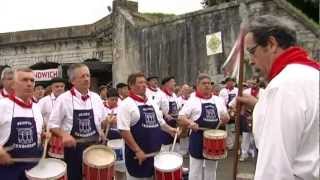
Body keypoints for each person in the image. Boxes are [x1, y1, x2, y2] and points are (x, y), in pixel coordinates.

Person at [238, 15, 320, 180]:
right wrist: (260, 106)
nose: (251, 61)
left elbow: (274, 170)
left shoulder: (282, 87)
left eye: (252, 52)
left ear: (271, 44)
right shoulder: (313, 74)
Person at [48, 63, 106, 180]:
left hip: (94, 147)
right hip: (73, 149)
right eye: (82, 76)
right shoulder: (63, 99)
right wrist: (64, 135)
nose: (86, 79)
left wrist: (103, 129)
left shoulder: (96, 98)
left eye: (88, 76)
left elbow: (101, 121)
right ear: (73, 81)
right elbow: (52, 124)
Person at [117, 72, 178, 180]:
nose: (144, 85)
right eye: (140, 82)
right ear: (131, 85)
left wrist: (170, 130)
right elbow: (124, 131)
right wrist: (137, 150)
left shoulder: (151, 103)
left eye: (145, 82)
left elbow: (160, 122)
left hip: (155, 155)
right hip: (137, 157)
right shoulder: (126, 104)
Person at [178, 74, 229, 180]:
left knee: (211, 169)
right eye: (204, 83)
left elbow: (226, 117)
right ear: (197, 86)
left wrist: (226, 118)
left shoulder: (218, 100)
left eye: (209, 83)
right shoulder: (192, 100)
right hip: (198, 137)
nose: (207, 86)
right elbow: (181, 117)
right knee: (196, 169)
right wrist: (190, 123)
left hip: (214, 138)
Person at [0, 68, 48, 179]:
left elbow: (36, 133)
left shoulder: (36, 108)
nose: (29, 84)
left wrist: (42, 136)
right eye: (24, 80)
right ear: (13, 85)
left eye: (32, 80)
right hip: (8, 170)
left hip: (34, 169)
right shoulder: (3, 105)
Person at [158, 76, 179, 151]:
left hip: (175, 124)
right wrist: (165, 114)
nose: (175, 83)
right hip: (165, 125)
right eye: (173, 82)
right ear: (167, 83)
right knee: (165, 148)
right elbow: (156, 109)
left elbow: (178, 108)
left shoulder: (174, 95)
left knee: (176, 147)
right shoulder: (160, 95)